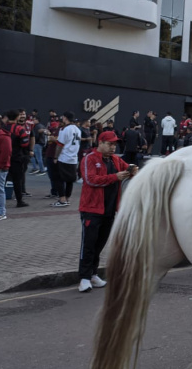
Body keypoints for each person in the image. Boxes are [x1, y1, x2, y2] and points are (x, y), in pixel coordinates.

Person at [76, 130, 138, 292]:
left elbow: (128, 170)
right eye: (110, 144)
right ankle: (84, 277)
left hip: (109, 210)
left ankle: (93, 274)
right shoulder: (89, 158)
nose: (113, 147)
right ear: (100, 143)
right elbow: (91, 180)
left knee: (99, 244)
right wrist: (115, 177)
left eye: (115, 144)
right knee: (88, 245)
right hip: (91, 209)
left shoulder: (116, 160)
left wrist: (133, 171)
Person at [51, 111, 82, 207]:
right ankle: (67, 198)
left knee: (58, 178)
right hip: (73, 157)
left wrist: (56, 156)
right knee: (70, 179)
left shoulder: (64, 129)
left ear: (65, 118)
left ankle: (62, 199)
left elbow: (60, 145)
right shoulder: (78, 129)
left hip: (64, 157)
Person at [2, 108, 31, 208]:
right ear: (17, 117)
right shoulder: (19, 129)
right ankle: (19, 201)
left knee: (1, 179)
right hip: (16, 157)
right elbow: (25, 143)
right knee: (17, 180)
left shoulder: (2, 128)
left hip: (3, 157)